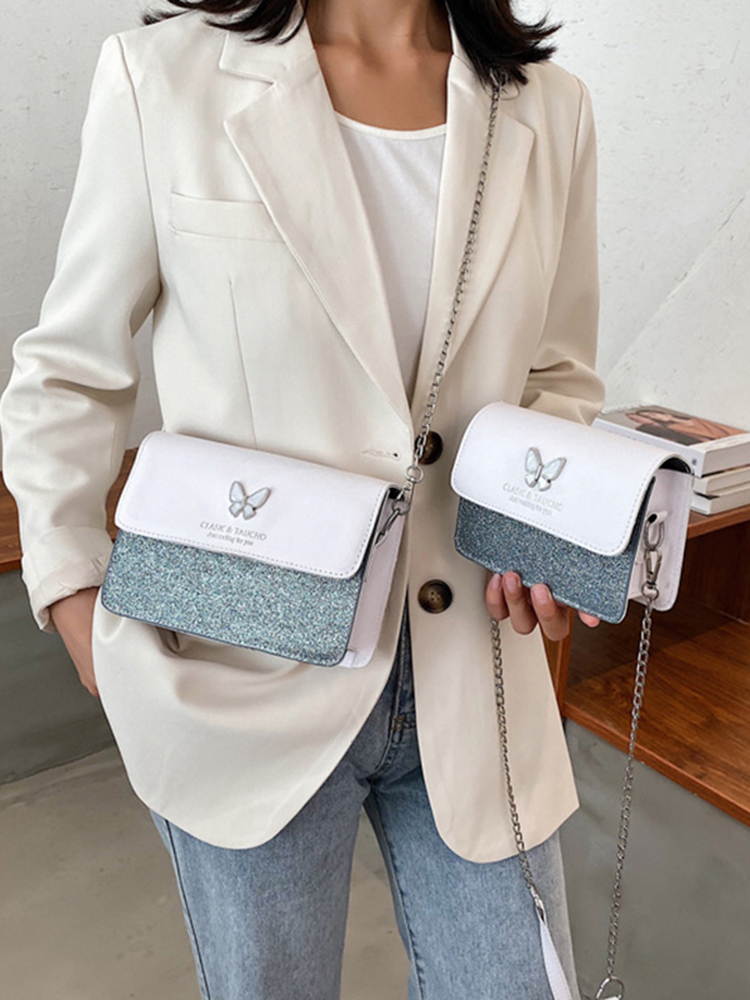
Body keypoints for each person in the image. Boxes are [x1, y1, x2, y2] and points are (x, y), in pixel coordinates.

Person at [0, 0, 606, 996]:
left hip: (478, 674)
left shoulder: (549, 105)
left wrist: (538, 532)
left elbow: (558, 376)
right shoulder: (166, 78)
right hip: (239, 676)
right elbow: (69, 375)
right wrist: (74, 600)